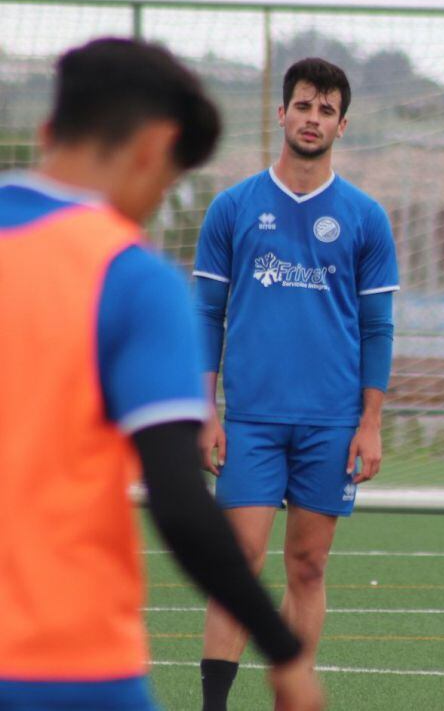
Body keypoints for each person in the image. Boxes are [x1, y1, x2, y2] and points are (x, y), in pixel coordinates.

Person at [0, 38, 323, 711]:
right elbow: (178, 501)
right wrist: (284, 651)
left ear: (49, 131)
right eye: (168, 181)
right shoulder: (129, 274)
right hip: (64, 664)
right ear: (153, 148)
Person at [193, 57, 398, 709]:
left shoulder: (365, 217)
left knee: (307, 565)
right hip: (251, 419)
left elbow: (377, 328)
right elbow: (205, 315)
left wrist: (370, 422)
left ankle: (293, 697)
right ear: (281, 114)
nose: (313, 118)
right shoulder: (233, 208)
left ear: (343, 124)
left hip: (332, 421)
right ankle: (213, 704)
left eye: (326, 109)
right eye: (303, 105)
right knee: (239, 561)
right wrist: (206, 409)